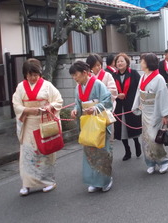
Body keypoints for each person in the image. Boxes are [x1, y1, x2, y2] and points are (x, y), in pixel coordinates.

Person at [12, 58, 63, 196]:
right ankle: (27, 184)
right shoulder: (20, 87)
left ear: (39, 73)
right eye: (29, 75)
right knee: (28, 154)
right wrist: (27, 110)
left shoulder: (47, 86)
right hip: (28, 123)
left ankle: (48, 181)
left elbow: (58, 100)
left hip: (44, 123)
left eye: (35, 75)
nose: (33, 78)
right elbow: (16, 104)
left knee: (45, 152)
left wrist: (49, 106)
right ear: (25, 75)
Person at [70, 61, 113, 193]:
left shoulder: (98, 84)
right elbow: (78, 103)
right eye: (73, 76)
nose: (75, 78)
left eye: (76, 75)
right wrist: (75, 110)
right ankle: (93, 181)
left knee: (101, 150)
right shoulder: (78, 88)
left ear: (84, 73)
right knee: (89, 151)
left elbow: (107, 100)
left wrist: (95, 107)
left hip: (98, 122)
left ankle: (106, 179)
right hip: (87, 122)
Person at [132, 53, 168, 174]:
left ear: (148, 63)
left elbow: (163, 96)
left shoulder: (159, 78)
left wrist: (165, 115)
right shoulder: (143, 76)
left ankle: (163, 161)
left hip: (156, 112)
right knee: (146, 139)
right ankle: (150, 162)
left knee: (155, 138)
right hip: (145, 111)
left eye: (142, 61)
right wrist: (137, 106)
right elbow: (139, 93)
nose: (140, 63)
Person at [113, 53, 142, 161]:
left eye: (122, 61)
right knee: (121, 130)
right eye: (118, 61)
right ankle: (127, 150)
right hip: (119, 106)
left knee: (132, 127)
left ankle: (136, 144)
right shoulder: (113, 75)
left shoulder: (133, 73)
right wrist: (116, 95)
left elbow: (140, 87)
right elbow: (110, 90)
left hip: (131, 104)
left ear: (127, 62)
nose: (120, 63)